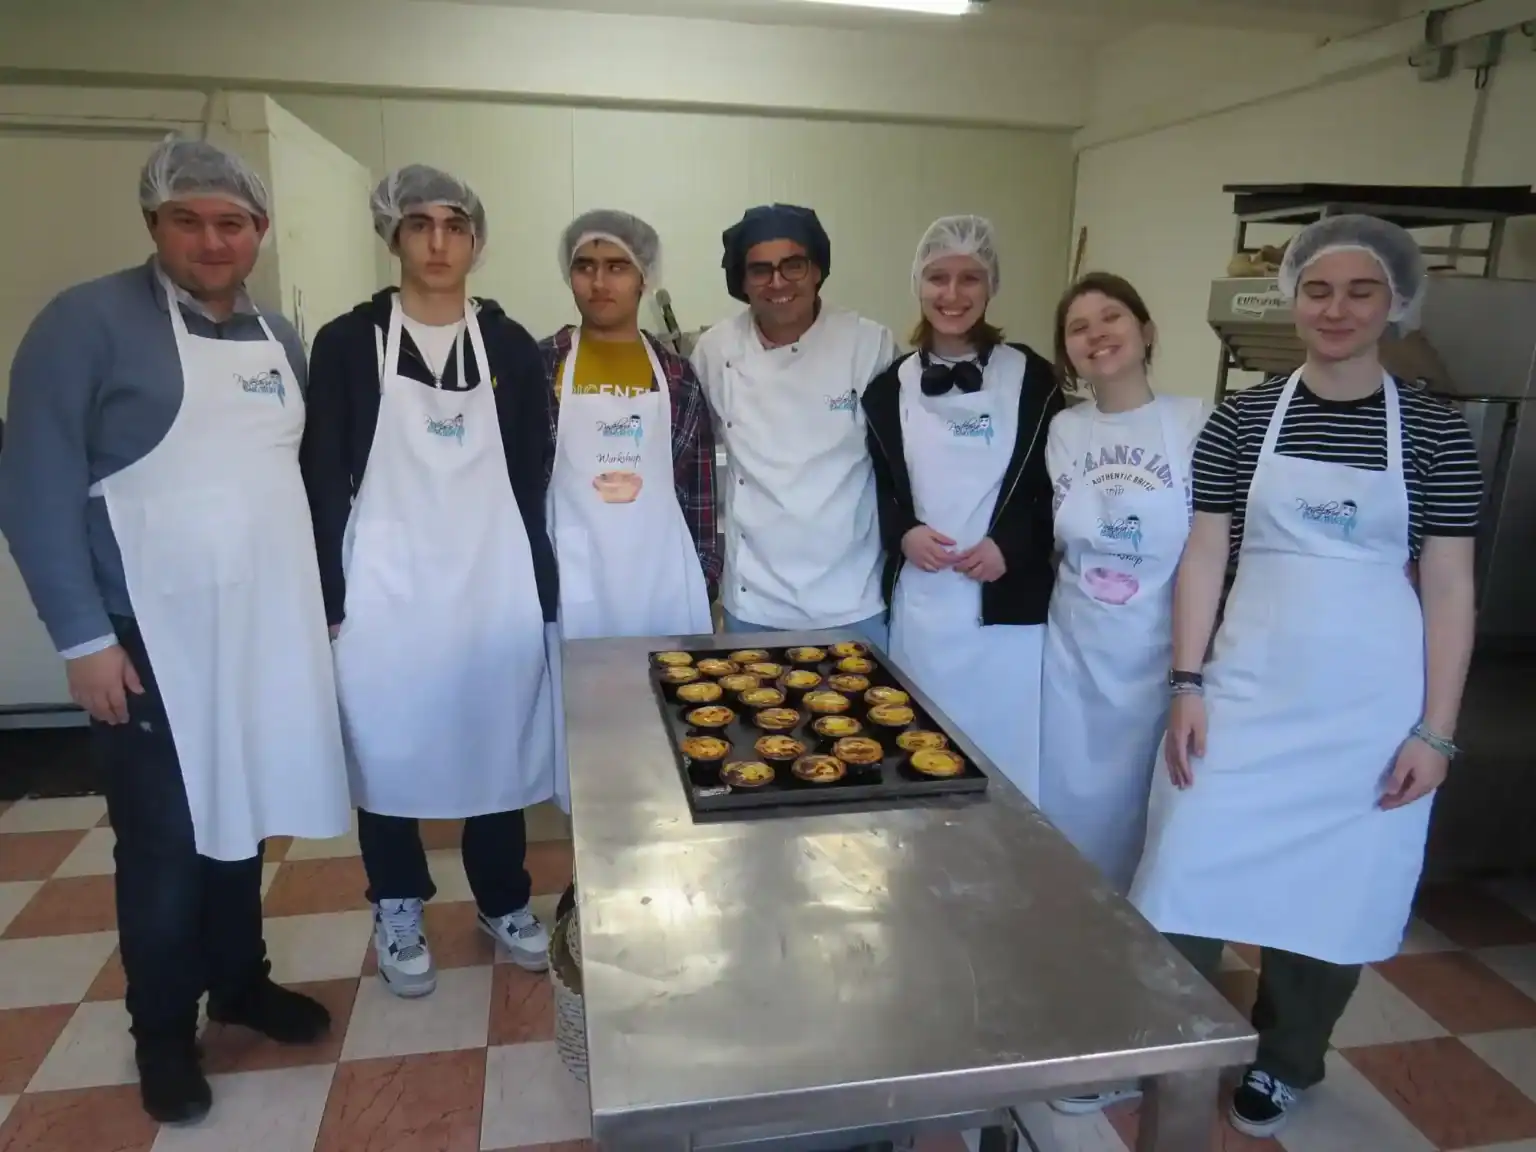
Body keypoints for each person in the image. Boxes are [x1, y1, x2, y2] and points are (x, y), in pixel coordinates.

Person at [0, 138, 352, 1123]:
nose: (211, 238)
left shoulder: (279, 338)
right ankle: (162, 1030)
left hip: (255, 631)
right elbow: (33, 490)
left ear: (259, 233)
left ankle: (240, 980)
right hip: (141, 635)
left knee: (241, 814)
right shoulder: (84, 325)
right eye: (189, 219)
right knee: (162, 844)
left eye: (231, 222)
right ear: (154, 222)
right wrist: (81, 641)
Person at [1130, 215, 1481, 1138]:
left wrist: (1435, 730)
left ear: (1395, 302)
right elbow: (1205, 557)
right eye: (1318, 289)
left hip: (1371, 707)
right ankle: (1172, 1039)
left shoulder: (1438, 434)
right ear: (1292, 298)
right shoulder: (1241, 420)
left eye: (1360, 290)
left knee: (1334, 891)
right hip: (1245, 689)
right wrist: (1187, 682)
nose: (1337, 309)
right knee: (1183, 865)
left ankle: (1287, 1060)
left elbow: (1449, 583)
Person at [299, 165, 558, 1001]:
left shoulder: (510, 347)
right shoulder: (349, 342)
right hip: (387, 583)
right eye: (420, 224)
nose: (439, 241)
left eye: (455, 224)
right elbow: (323, 472)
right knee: (389, 744)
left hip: (490, 577)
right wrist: (334, 596)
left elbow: (531, 474)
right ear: (393, 237)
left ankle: (504, 899)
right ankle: (399, 901)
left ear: (477, 240)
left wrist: (537, 586)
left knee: (496, 737)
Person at [862, 216, 1061, 801]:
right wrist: (904, 534)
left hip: (1006, 614)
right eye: (937, 278)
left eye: (969, 278)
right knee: (919, 757)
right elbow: (879, 487)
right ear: (918, 286)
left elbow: (1055, 487)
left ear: (991, 286)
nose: (953, 295)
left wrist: (1011, 546)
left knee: (1006, 765)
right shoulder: (886, 389)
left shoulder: (1034, 379)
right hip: (922, 609)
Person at [1039, 274, 1208, 893]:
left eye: (1111, 318)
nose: (1096, 335)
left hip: (1159, 658)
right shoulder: (1063, 431)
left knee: (1149, 815)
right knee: (1067, 809)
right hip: (1073, 660)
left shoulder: (1194, 423)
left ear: (1146, 332)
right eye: (1078, 328)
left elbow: (1215, 551)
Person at [691, 203, 897, 644]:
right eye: (760, 270)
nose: (778, 282)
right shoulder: (715, 350)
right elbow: (692, 458)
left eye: (793, 265)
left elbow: (899, 464)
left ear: (818, 269)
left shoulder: (869, 344)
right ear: (742, 282)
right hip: (755, 601)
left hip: (852, 600)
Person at [539, 209, 719, 642]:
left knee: (665, 704)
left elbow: (698, 490)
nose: (599, 283)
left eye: (617, 267)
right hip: (570, 577)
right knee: (577, 704)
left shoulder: (676, 375)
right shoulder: (541, 365)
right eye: (585, 267)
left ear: (644, 278)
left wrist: (704, 574)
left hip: (663, 578)